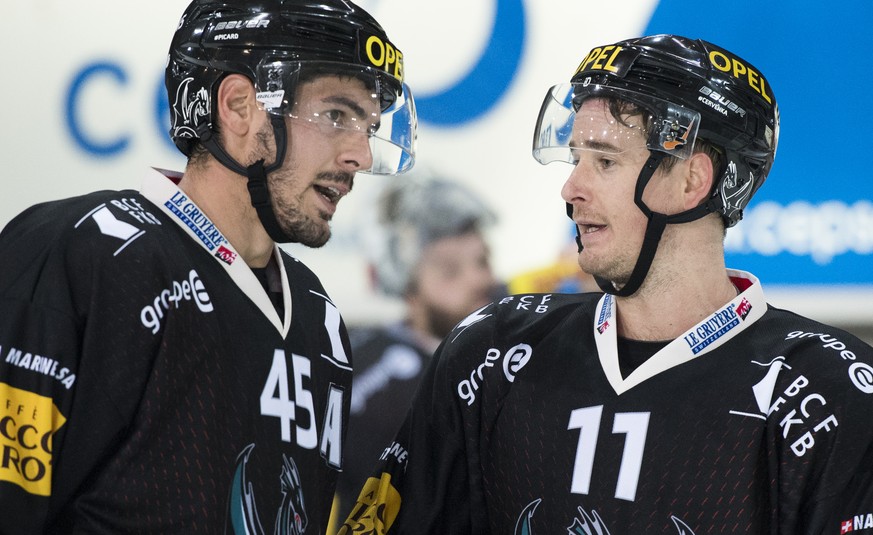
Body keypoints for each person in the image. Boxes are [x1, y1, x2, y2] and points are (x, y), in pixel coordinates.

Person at [338, 35, 873, 534]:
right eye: (575, 158)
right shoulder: (490, 351)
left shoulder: (828, 390)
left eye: (605, 161)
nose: (571, 188)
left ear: (692, 180)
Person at [0, 0, 416, 532]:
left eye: (368, 124)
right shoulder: (83, 252)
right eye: (336, 115)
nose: (360, 153)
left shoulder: (319, 317)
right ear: (239, 106)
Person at [332, 174, 501, 522]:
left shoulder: (514, 339)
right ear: (406, 287)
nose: (479, 280)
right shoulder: (372, 378)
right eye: (450, 270)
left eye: (482, 261)